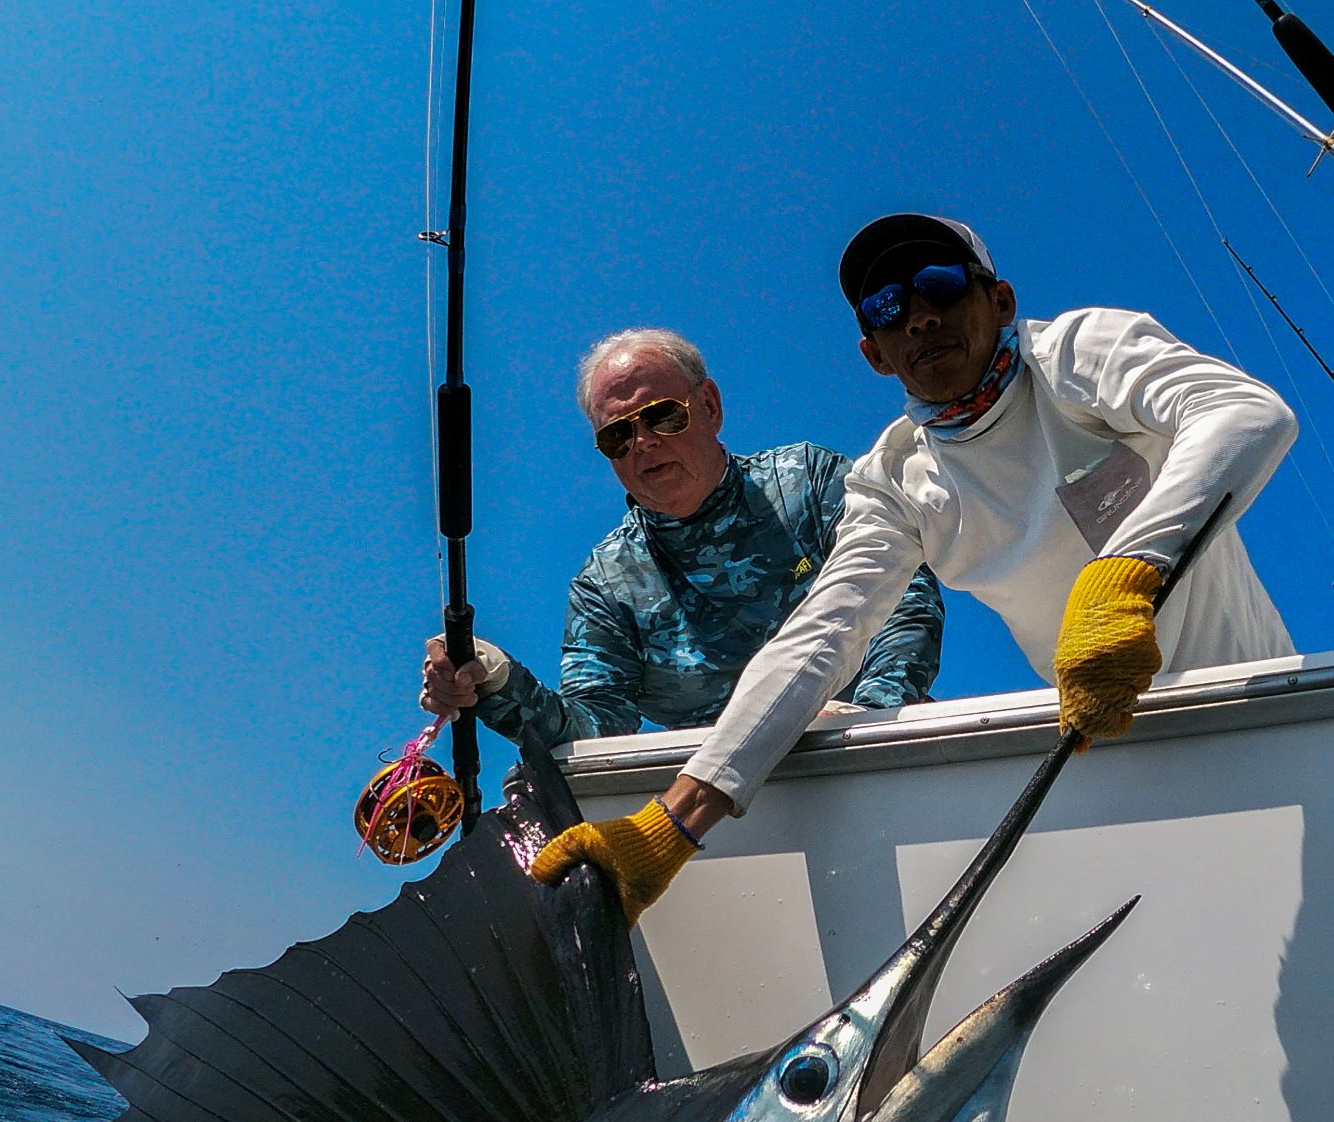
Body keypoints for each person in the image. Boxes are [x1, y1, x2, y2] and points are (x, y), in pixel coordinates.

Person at [532, 213, 1297, 922]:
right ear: (872, 354)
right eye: (887, 307)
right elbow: (820, 636)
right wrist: (672, 822)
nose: (918, 317)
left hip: (1268, 714)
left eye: (940, 285)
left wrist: (1125, 572)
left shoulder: (1075, 355)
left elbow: (1246, 413)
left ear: (999, 300)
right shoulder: (896, 479)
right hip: (1118, 747)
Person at [422, 327, 945, 745]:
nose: (644, 443)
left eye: (662, 416)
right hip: (714, 802)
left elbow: (904, 596)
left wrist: (869, 717)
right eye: (618, 434)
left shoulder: (807, 482)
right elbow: (596, 729)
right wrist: (495, 680)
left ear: (711, 406)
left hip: (867, 750)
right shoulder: (604, 585)